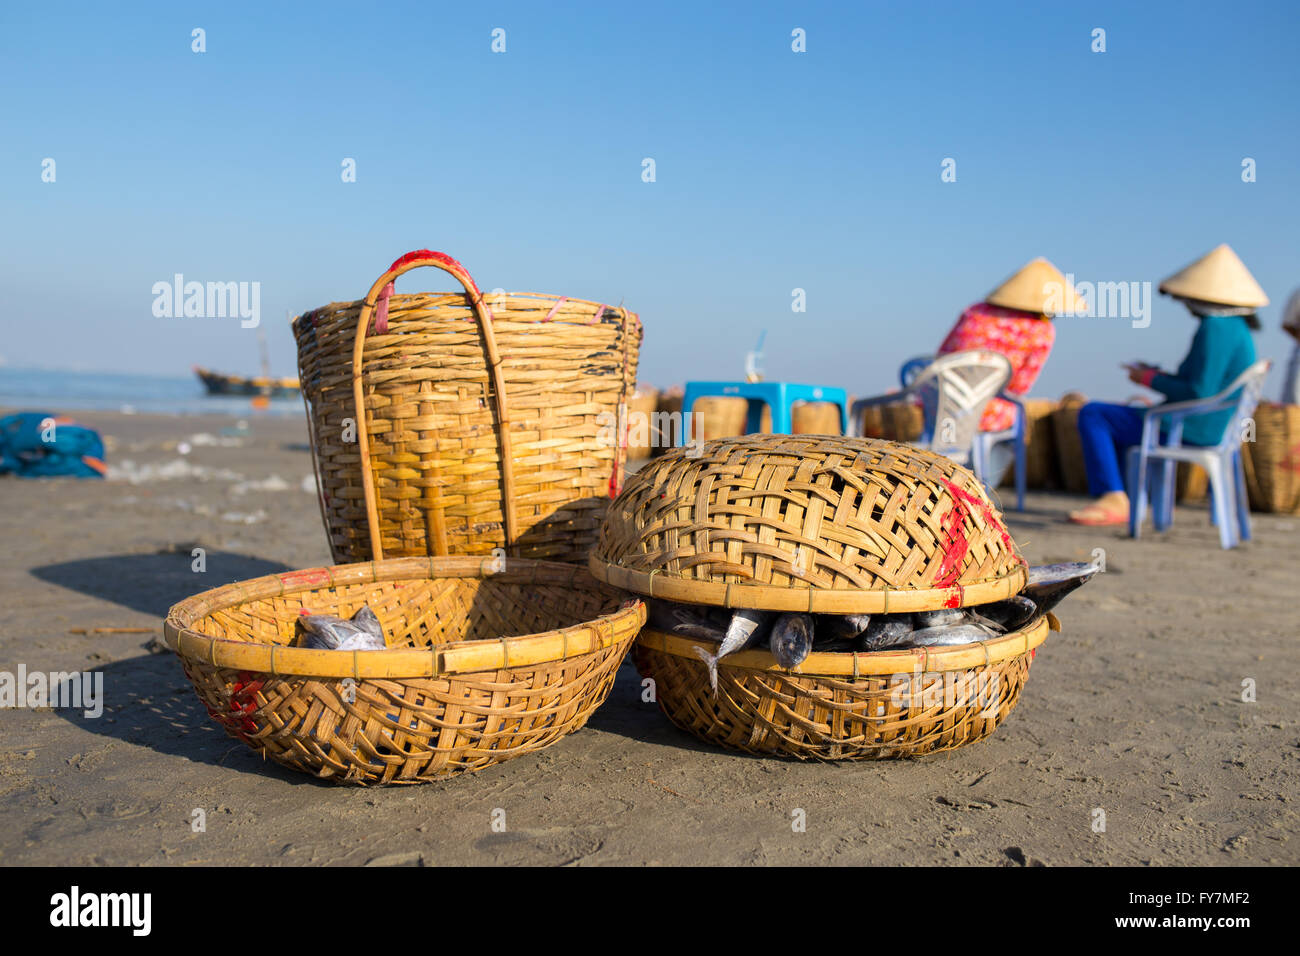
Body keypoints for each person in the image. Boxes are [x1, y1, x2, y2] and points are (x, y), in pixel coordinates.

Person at [1068, 244, 1267, 526]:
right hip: (1213, 425)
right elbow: (1200, 384)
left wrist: (1147, 379)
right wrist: (1157, 375)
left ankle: (1114, 496)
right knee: (1118, 420)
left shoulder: (1216, 327)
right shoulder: (1237, 327)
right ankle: (1135, 498)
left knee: (1094, 413)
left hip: (1193, 427)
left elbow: (1199, 392)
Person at [936, 257, 1085, 434]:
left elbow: (942, 355)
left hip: (939, 403)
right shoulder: (1041, 331)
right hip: (987, 412)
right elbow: (1019, 387)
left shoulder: (974, 311)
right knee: (1019, 417)